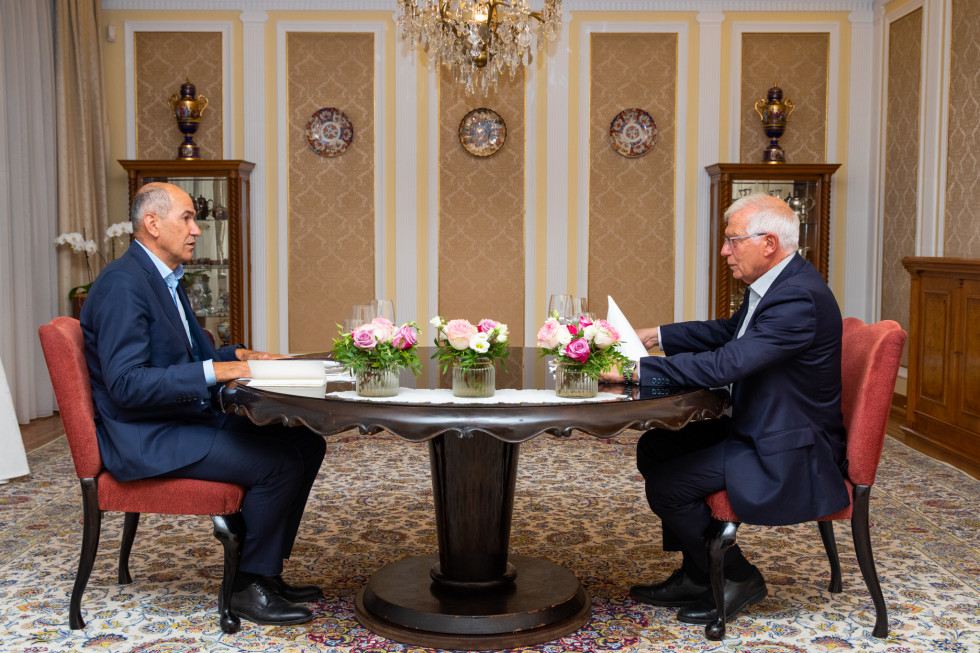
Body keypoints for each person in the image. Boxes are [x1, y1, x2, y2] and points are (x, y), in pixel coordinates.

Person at [81, 182, 327, 626]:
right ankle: (246, 586)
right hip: (148, 437)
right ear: (152, 224)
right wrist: (223, 370)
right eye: (187, 218)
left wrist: (245, 356)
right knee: (278, 464)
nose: (197, 229)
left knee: (306, 440)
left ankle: (265, 573)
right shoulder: (123, 284)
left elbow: (195, 355)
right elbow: (126, 385)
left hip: (180, 419)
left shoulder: (165, 278)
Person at [605, 193, 850, 625]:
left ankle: (737, 576)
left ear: (769, 243)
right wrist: (656, 335)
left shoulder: (798, 298)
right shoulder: (781, 284)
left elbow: (728, 362)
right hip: (764, 423)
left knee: (668, 486)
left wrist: (636, 370)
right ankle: (698, 573)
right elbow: (729, 332)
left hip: (791, 447)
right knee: (656, 447)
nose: (724, 251)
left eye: (733, 240)